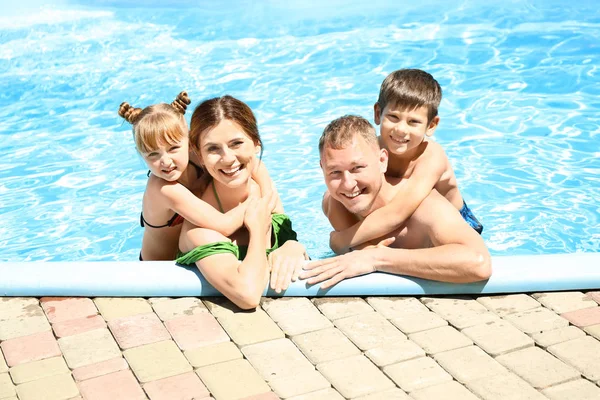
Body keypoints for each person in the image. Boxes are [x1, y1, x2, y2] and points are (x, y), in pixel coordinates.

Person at [300, 115, 491, 289]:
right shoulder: (334, 204)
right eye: (335, 172)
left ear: (382, 160)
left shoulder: (426, 209)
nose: (348, 184)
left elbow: (478, 263)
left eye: (357, 168)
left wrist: (377, 258)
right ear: (322, 168)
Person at [329, 69, 483, 255]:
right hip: (404, 225)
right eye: (393, 117)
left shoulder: (431, 156)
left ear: (431, 125)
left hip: (456, 223)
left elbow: (397, 212)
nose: (401, 129)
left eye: (413, 122)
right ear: (378, 114)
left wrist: (342, 239)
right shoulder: (372, 150)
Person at [176, 95, 308, 309]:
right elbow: (247, 295)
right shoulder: (199, 228)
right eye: (212, 149)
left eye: (236, 143)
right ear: (199, 155)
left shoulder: (263, 188)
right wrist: (257, 231)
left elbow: (293, 248)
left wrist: (293, 246)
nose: (228, 158)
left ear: (256, 143)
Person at [119, 91, 274, 261]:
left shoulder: (199, 156)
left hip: (193, 252)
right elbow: (224, 225)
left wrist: (266, 191)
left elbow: (255, 166)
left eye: (173, 149)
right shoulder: (162, 189)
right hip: (162, 270)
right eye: (152, 155)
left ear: (189, 142)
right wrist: (259, 198)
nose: (165, 161)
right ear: (140, 154)